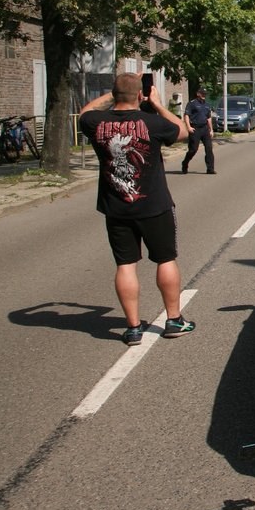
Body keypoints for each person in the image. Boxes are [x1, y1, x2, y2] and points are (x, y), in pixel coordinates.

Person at [79, 73, 196, 345]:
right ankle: (174, 320)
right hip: (154, 205)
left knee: (125, 265)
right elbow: (181, 131)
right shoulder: (152, 122)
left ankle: (133, 328)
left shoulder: (97, 122)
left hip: (117, 208)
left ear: (113, 94)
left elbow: (85, 112)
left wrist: (113, 95)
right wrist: (155, 103)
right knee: (165, 259)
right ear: (140, 95)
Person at [181, 87, 215, 175]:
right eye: (202, 93)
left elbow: (209, 118)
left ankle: (210, 169)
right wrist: (188, 127)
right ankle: (185, 163)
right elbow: (187, 115)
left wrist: (211, 130)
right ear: (198, 94)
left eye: (205, 94)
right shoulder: (192, 104)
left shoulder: (207, 105)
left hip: (205, 129)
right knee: (193, 149)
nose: (204, 95)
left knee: (209, 148)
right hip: (195, 128)